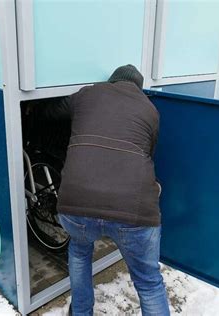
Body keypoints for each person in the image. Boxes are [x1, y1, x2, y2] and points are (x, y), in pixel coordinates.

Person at [40, 65, 170, 315]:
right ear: (139, 89)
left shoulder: (87, 94)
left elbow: (53, 112)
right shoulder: (150, 110)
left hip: (76, 206)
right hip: (133, 213)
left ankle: (80, 312)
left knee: (79, 252)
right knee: (149, 283)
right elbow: (147, 155)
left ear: (111, 82)